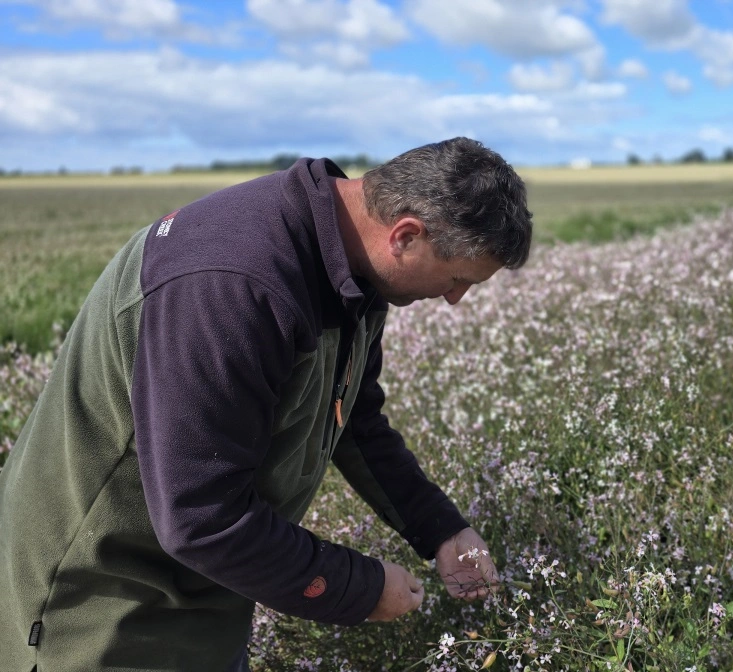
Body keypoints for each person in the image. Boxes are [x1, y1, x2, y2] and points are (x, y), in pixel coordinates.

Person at [0, 137, 533, 671]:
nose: (455, 298)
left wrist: (441, 529)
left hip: (199, 595)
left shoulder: (354, 271)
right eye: (457, 278)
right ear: (406, 236)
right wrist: (361, 588)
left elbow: (355, 421)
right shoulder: (231, 285)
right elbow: (201, 517)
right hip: (94, 607)